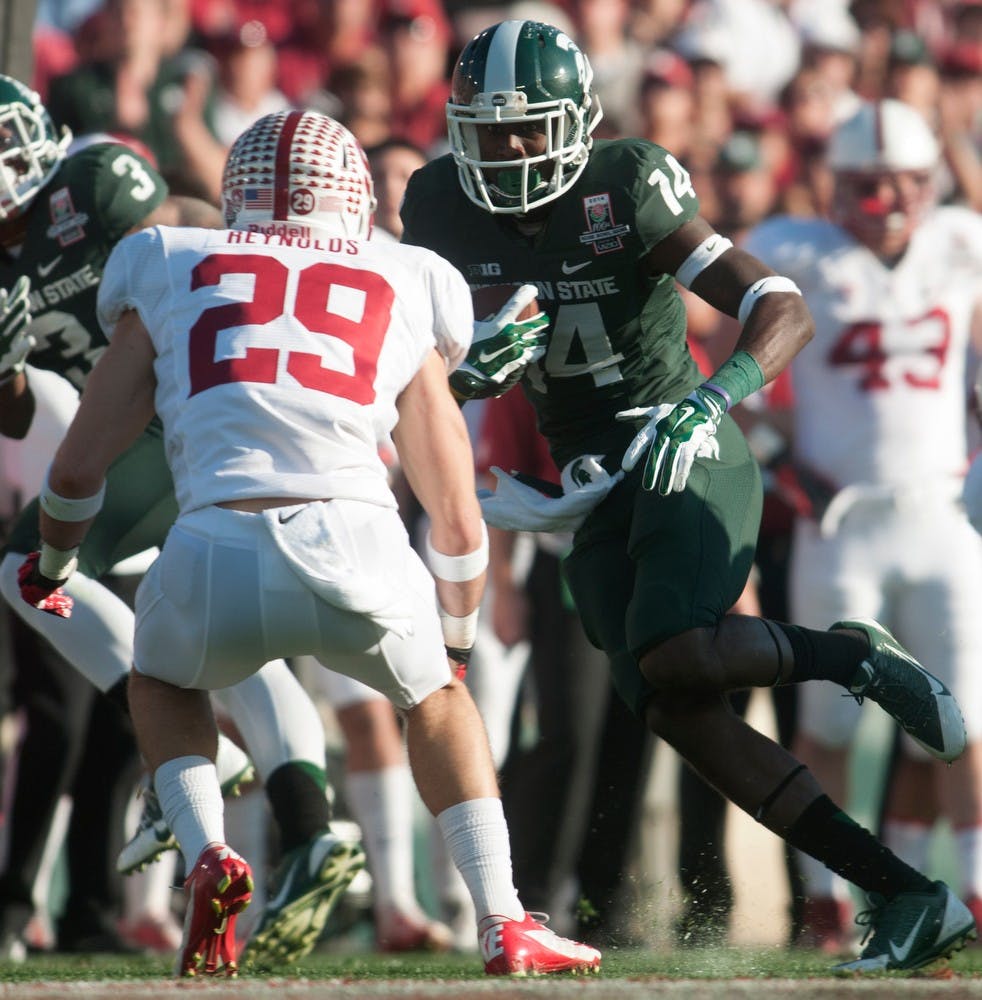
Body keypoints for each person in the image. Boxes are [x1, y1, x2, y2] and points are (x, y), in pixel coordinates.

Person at [399, 19, 976, 972]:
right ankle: (907, 893)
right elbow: (410, 369)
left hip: (682, 443)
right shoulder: (436, 206)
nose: (505, 150)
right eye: (486, 127)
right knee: (675, 709)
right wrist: (465, 373)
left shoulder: (625, 186)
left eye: (527, 127)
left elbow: (778, 305)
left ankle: (849, 658)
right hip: (588, 484)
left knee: (674, 651)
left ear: (578, 122)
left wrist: (713, 401)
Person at [16, 108, 601, 979]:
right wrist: (458, 640)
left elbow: (76, 468)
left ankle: (209, 848)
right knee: (437, 701)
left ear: (233, 193)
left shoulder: (167, 259)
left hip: (211, 538)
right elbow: (455, 512)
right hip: (354, 538)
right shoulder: (406, 274)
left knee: (160, 681)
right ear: (358, 195)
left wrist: (56, 564)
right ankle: (503, 918)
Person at [0, 74, 363, 966]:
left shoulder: (95, 188)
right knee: (226, 630)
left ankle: (185, 765)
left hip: (182, 414)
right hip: (164, 435)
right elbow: (16, 412)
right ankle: (310, 823)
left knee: (30, 567)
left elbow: (206, 230)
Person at [743, 97, 982, 951]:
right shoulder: (791, 247)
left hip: (945, 516)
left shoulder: (962, 242)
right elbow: (727, 370)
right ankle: (827, 903)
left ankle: (977, 895)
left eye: (907, 182)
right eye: (870, 183)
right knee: (831, 724)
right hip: (838, 520)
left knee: (967, 722)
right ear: (835, 185)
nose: (888, 200)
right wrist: (772, 455)